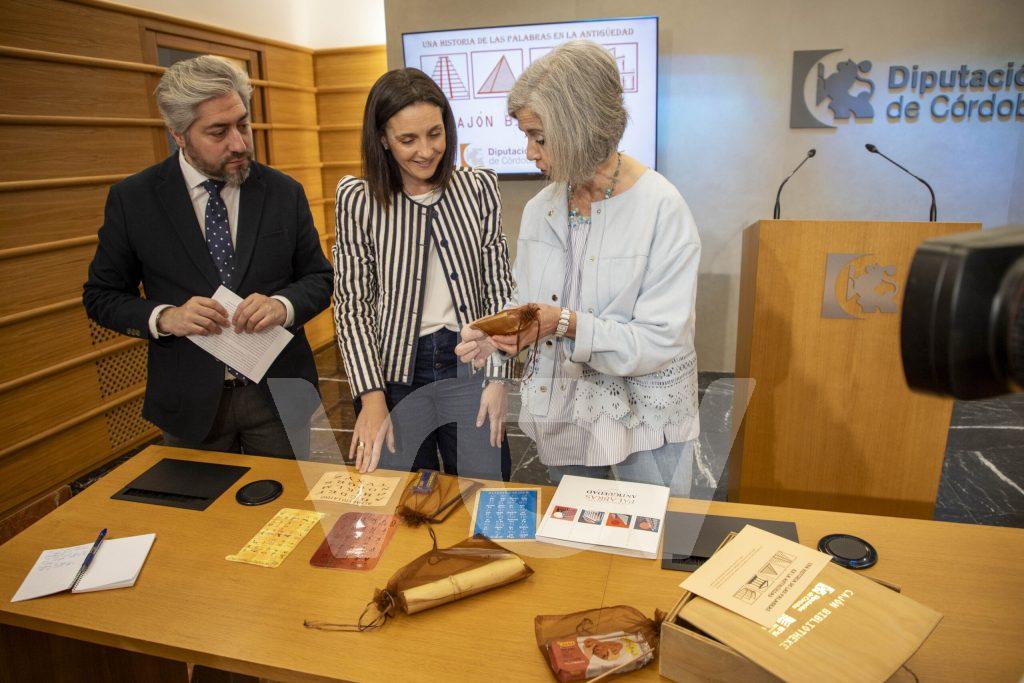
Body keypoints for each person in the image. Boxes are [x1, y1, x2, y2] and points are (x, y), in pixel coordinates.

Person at [456, 41, 702, 495]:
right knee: (574, 530)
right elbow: (528, 301)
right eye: (526, 136)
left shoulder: (661, 208)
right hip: (566, 412)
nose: (529, 152)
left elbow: (658, 340)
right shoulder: (541, 209)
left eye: (539, 137)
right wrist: (504, 334)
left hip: (645, 423)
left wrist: (564, 323)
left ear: (580, 126)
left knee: (651, 531)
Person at [83, 55, 333, 457]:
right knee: (201, 501)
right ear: (178, 134)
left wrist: (282, 306)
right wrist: (165, 317)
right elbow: (101, 296)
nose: (239, 144)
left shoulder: (284, 192)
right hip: (190, 402)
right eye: (219, 131)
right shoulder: (134, 200)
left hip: (279, 394)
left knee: (289, 499)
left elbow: (319, 279)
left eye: (243, 124)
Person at [333, 68, 514, 478]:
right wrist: (371, 397)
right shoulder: (358, 199)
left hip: (468, 366)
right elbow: (352, 305)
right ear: (382, 139)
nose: (426, 151)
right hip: (395, 373)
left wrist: (498, 378)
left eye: (435, 133)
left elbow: (500, 289)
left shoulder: (478, 188)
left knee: (484, 490)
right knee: (402, 497)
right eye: (408, 139)